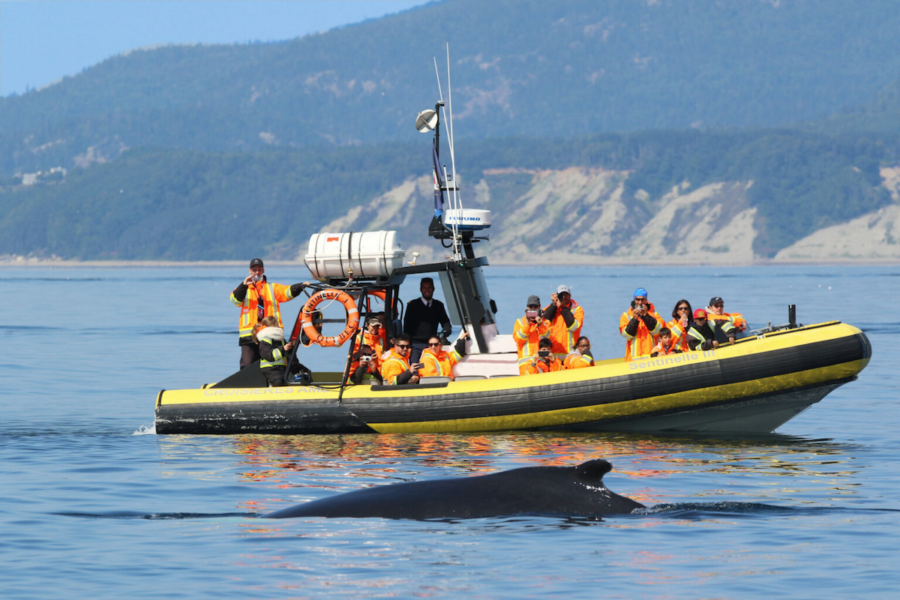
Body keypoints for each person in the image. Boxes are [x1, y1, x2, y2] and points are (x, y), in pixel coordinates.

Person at [231, 258, 309, 369]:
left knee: (289, 357)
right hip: (249, 334)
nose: (257, 273)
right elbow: (235, 300)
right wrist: (244, 285)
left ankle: (294, 375)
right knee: (248, 363)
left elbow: (287, 291)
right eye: (254, 270)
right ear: (250, 271)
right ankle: (247, 380)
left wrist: (300, 286)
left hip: (271, 332)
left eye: (259, 270)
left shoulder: (272, 288)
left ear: (263, 271)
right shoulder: (243, 289)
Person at [403, 277, 452, 363]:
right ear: (421, 289)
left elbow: (445, 321)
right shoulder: (412, 305)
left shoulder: (438, 305)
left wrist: (447, 330)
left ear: (433, 289)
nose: (427, 290)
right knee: (415, 367)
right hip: (416, 344)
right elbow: (407, 326)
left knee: (432, 366)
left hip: (432, 344)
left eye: (429, 288)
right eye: (424, 288)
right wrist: (408, 345)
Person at [619, 288, 663, 361]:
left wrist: (646, 316)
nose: (640, 302)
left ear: (646, 300)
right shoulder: (626, 316)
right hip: (633, 360)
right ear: (634, 300)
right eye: (638, 299)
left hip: (652, 358)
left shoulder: (654, 315)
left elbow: (658, 332)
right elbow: (627, 336)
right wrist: (635, 319)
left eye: (642, 300)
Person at [542, 285, 584, 359]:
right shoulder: (550, 308)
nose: (564, 297)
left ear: (570, 296)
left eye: (566, 294)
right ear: (557, 296)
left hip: (570, 355)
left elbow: (574, 327)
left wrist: (563, 307)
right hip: (553, 356)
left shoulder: (577, 310)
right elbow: (542, 321)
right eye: (561, 295)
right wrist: (554, 305)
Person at [513, 295, 551, 369]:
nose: (533, 309)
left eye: (535, 306)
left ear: (539, 307)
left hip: (542, 364)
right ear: (527, 308)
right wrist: (528, 324)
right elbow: (518, 339)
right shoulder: (520, 322)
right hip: (525, 366)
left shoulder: (546, 323)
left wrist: (540, 325)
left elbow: (549, 340)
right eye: (531, 306)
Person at [254, 316, 294, 387]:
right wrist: (283, 349)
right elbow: (268, 355)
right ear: (273, 326)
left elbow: (286, 353)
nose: (279, 326)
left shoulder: (281, 339)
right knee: (278, 382)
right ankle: (271, 387)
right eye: (277, 324)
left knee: (291, 377)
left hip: (281, 368)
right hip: (270, 368)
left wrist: (290, 347)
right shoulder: (265, 340)